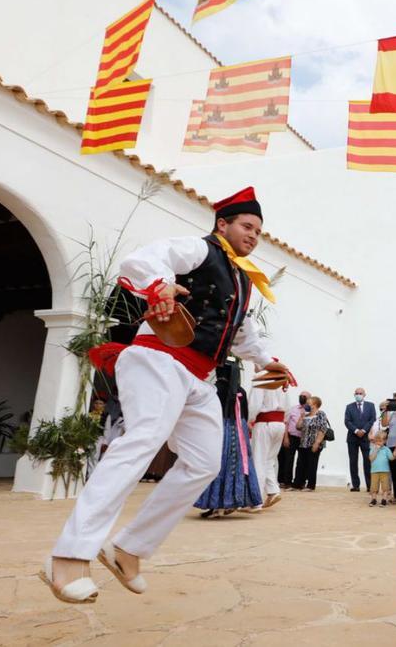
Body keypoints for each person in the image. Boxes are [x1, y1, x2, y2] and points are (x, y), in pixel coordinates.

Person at [44, 187, 291, 604]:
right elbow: (140, 261)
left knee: (204, 462)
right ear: (222, 225)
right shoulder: (198, 249)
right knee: (141, 441)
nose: (253, 235)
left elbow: (243, 334)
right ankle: (68, 556)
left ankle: (129, 548)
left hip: (199, 378)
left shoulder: (244, 282)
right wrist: (159, 286)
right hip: (158, 358)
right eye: (247, 226)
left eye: (258, 231)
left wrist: (268, 362)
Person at [195, 363, 263, 517]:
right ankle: (231, 501)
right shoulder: (241, 391)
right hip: (239, 431)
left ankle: (216, 504)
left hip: (220, 429)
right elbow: (245, 414)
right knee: (237, 465)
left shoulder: (215, 389)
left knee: (218, 463)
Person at [248, 385, 289, 509]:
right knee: (269, 460)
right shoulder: (283, 380)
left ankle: (256, 500)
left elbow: (254, 404)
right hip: (279, 423)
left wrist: (249, 419)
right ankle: (273, 490)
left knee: (258, 461)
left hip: (264, 423)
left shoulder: (261, 379)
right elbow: (288, 405)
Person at [292, 397, 329, 491]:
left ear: (315, 404)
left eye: (309, 403)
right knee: (300, 464)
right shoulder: (306, 415)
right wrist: (301, 417)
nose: (306, 405)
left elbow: (322, 429)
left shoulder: (320, 414)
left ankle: (310, 486)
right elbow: (298, 427)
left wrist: (317, 443)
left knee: (311, 464)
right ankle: (298, 484)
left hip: (314, 443)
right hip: (303, 443)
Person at [344, 388, 375, 492]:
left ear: (364, 394)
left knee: (367, 461)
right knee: (353, 461)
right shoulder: (349, 407)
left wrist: (364, 430)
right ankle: (356, 485)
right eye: (356, 393)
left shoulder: (371, 406)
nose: (358, 395)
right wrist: (356, 430)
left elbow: (372, 419)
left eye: (360, 393)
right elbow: (347, 421)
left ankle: (370, 485)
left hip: (366, 438)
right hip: (352, 437)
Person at [279, 391, 309, 489]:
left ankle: (299, 482)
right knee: (289, 460)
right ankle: (287, 482)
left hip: (304, 438)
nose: (301, 397)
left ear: (309, 398)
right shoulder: (293, 409)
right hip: (291, 437)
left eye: (304, 396)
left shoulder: (310, 410)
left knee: (302, 461)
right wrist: (286, 437)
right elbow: (286, 423)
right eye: (300, 396)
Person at [369, 429, 395, 506]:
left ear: (385, 441)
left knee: (385, 486)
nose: (378, 443)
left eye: (380, 441)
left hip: (385, 471)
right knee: (374, 486)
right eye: (377, 441)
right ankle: (373, 499)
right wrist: (376, 450)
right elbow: (371, 459)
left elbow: (391, 458)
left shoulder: (386, 449)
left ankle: (384, 499)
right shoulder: (373, 449)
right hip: (374, 471)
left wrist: (394, 453)